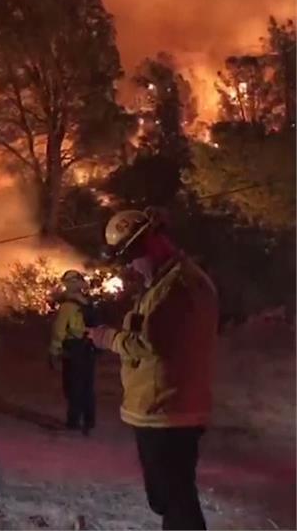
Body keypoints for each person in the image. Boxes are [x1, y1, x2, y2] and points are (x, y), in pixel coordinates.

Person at [87, 208, 218, 530]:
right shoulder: (168, 282)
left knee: (177, 503)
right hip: (162, 407)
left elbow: (149, 343)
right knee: (166, 498)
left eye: (133, 254)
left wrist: (107, 338)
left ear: (154, 241)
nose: (130, 265)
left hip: (168, 412)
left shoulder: (178, 287)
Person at [49, 269, 99, 435]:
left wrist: (54, 350)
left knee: (73, 386)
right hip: (89, 348)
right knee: (87, 385)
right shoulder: (87, 303)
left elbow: (59, 330)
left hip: (74, 349)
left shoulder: (67, 306)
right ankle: (89, 421)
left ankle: (73, 422)